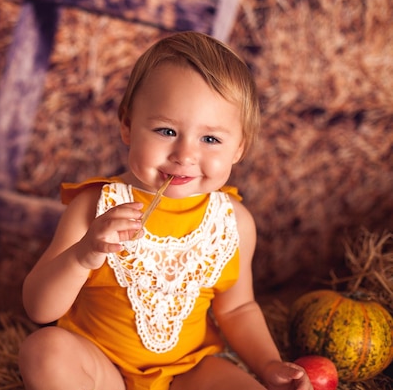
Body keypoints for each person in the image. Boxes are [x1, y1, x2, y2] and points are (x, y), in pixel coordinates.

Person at [18, 31, 312, 390]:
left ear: (239, 148)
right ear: (127, 125)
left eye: (210, 139)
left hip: (187, 373)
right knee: (43, 351)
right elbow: (38, 308)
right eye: (166, 130)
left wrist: (268, 366)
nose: (185, 155)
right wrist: (83, 255)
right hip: (101, 370)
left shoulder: (232, 223)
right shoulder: (94, 207)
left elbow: (237, 310)